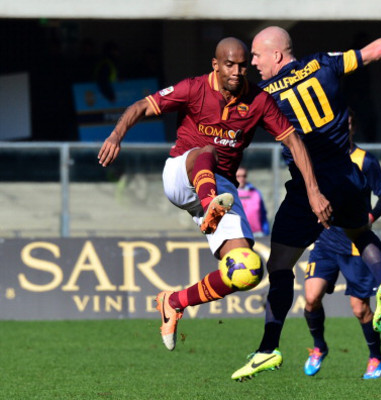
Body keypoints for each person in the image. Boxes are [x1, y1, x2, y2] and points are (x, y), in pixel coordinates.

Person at [232, 9, 381, 381]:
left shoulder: (266, 94)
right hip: (348, 175)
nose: (253, 62)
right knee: (360, 233)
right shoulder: (325, 63)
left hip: (311, 184)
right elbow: (376, 50)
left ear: (278, 55)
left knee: (280, 265)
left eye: (257, 55)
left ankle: (268, 348)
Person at [97, 37, 331, 352]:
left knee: (246, 270)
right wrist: (116, 135)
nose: (237, 72)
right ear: (215, 65)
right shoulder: (193, 88)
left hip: (220, 187)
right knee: (206, 151)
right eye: (229, 65)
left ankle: (175, 302)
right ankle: (211, 209)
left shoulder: (259, 101)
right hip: (182, 174)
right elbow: (142, 105)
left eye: (242, 65)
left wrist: (314, 191)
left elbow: (294, 143)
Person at [302, 110, 381, 379]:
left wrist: (370, 216)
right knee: (310, 298)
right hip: (326, 240)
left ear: (351, 126)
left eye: (348, 123)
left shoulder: (365, 161)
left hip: (355, 244)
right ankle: (319, 347)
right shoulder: (320, 158)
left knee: (360, 309)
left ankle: (376, 357)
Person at [236, 166, 270, 236]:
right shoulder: (230, 194)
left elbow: (263, 213)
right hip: (237, 234)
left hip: (257, 234)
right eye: (238, 176)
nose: (241, 178)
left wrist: (266, 232)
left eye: (244, 176)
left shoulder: (255, 193)